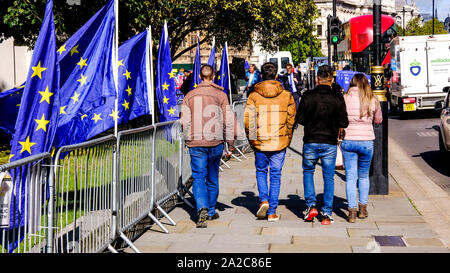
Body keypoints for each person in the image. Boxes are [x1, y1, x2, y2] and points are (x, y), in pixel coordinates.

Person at [180, 64, 236, 228]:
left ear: (199, 77)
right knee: (212, 177)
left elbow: (184, 121)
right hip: (215, 141)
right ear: (213, 77)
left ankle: (201, 207)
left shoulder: (190, 95)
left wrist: (186, 139)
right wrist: (230, 145)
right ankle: (210, 210)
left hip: (196, 142)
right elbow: (227, 120)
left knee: (198, 177)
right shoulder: (220, 95)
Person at [296, 65, 349, 225]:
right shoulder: (337, 97)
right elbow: (344, 122)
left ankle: (311, 205)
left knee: (308, 172)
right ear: (331, 80)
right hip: (329, 142)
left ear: (317, 79)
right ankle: (326, 213)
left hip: (311, 140)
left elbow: (300, 119)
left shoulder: (308, 96)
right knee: (328, 177)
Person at [244, 62, 296, 222]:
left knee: (261, 171)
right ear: (275, 76)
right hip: (279, 141)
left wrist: (252, 139)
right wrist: (287, 135)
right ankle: (272, 211)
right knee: (275, 174)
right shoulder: (287, 95)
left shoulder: (253, 96)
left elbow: (248, 120)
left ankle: (263, 200)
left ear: (261, 76)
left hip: (260, 140)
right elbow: (291, 119)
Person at [341, 74, 382, 223]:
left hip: (349, 140)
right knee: (364, 176)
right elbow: (379, 120)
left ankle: (351, 212)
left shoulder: (345, 98)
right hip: (366, 141)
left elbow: (341, 118)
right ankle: (363, 209)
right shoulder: (372, 98)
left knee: (351, 177)